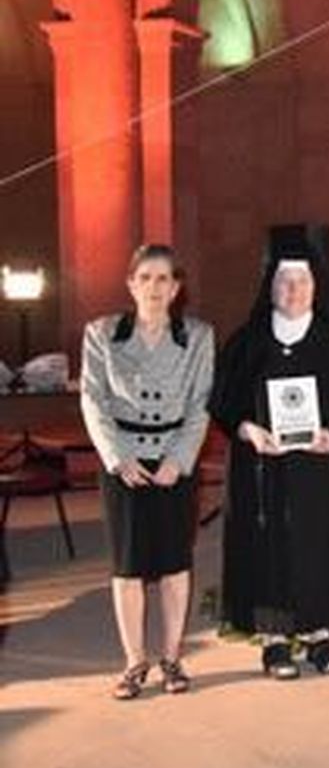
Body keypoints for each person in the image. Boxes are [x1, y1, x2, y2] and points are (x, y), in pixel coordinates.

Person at [210, 247, 329, 680]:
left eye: (302, 281)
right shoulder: (247, 341)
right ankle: (275, 640)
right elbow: (223, 402)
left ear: (315, 288)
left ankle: (320, 635)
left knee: (318, 543)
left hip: (319, 470)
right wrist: (247, 430)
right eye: (284, 281)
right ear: (270, 288)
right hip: (262, 468)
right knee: (267, 544)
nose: (293, 289)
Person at [80, 244, 214, 699]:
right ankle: (134, 661)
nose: (154, 287)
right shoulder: (101, 334)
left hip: (175, 460)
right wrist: (118, 457)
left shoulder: (198, 336)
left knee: (175, 562)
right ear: (131, 285)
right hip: (125, 462)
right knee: (128, 566)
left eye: (163, 279)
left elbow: (201, 402)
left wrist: (179, 459)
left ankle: (171, 658)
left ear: (176, 289)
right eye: (145, 278)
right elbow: (93, 400)